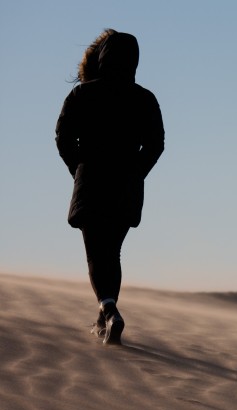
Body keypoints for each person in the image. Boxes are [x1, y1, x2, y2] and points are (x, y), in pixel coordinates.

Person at [56, 29, 164, 344]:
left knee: (95, 252)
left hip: (91, 179)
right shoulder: (145, 99)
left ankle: (108, 310)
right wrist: (137, 173)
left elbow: (63, 137)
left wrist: (77, 168)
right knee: (112, 252)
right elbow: (156, 145)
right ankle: (104, 318)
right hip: (126, 186)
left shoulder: (82, 94)